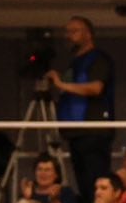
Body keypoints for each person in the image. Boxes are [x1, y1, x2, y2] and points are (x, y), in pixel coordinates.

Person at [49, 16, 116, 190]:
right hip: (75, 132)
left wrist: (61, 84)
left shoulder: (98, 58)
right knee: (83, 184)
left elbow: (95, 88)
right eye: (67, 32)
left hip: (93, 130)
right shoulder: (73, 63)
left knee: (96, 183)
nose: (68, 36)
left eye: (74, 31)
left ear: (88, 34)